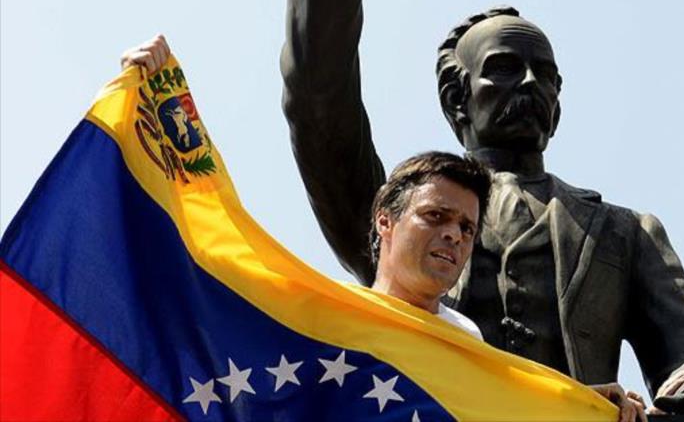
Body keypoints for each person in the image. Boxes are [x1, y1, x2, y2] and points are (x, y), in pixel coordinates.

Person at [281, 0, 684, 421]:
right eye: (505, 68)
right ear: (456, 97)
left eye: (546, 75)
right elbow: (316, 96)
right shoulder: (406, 216)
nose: (531, 84)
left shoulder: (625, 234)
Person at [119, 43, 649, 422]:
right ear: (385, 221)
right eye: (436, 217)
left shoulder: (470, 348)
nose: (455, 237)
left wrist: (580, 407)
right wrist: (162, 104)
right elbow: (213, 261)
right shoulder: (325, 320)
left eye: (466, 226)